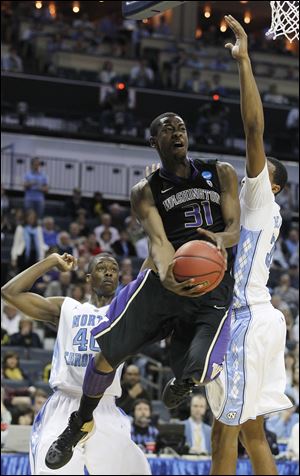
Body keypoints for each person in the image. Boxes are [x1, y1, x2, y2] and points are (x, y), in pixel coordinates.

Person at [44, 88, 240, 468]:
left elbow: (234, 227)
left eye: (181, 127)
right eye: (168, 129)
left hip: (212, 283)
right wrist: (168, 277)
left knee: (199, 367)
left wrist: (221, 239)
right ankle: (79, 423)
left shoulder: (221, 172)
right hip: (166, 280)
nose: (177, 132)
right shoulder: (145, 191)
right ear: (155, 141)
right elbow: (159, 242)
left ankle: (182, 381)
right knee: (105, 357)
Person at [204, 16, 292, 476]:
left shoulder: (259, 199)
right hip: (253, 317)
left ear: (273, 187)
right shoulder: (249, 212)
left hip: (247, 318)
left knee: (226, 429)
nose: (250, 171)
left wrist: (244, 63)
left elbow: (253, 130)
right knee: (251, 430)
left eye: (260, 173)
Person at [1, 252, 150, 475]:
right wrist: (51, 261)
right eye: (102, 267)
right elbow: (9, 292)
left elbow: (150, 270)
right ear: (88, 278)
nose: (109, 271)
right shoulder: (68, 308)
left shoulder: (125, 311)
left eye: (114, 268)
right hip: (65, 405)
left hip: (104, 407)